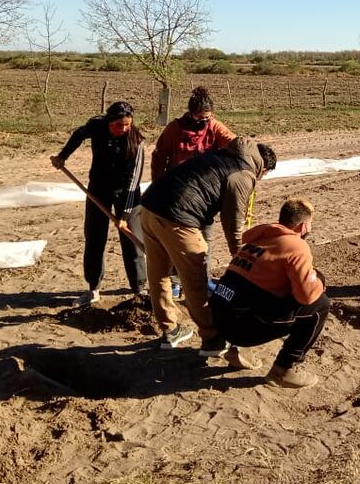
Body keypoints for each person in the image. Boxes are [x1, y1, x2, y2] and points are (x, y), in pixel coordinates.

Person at [138, 136, 277, 354]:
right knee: (196, 281)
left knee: (159, 275)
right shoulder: (244, 174)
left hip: (149, 207)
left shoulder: (222, 155)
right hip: (178, 217)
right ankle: (212, 339)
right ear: (263, 168)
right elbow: (233, 219)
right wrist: (238, 252)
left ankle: (170, 331)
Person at [208, 198, 328, 388]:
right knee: (320, 305)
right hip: (240, 327)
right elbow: (306, 296)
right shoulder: (297, 246)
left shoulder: (257, 240)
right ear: (303, 226)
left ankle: (237, 350)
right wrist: (319, 281)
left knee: (256, 292)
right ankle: (283, 370)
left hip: (218, 320)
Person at [50, 101, 147, 306]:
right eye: (118, 125)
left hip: (127, 194)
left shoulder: (136, 141)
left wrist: (124, 215)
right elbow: (78, 135)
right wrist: (62, 157)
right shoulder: (96, 126)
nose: (123, 129)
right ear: (108, 121)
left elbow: (134, 179)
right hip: (98, 190)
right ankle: (93, 288)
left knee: (132, 241)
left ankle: (139, 289)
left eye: (127, 125)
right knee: (94, 238)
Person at [151, 86, 237, 297]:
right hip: (177, 195)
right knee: (175, 241)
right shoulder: (174, 129)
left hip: (204, 196)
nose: (203, 122)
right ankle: (175, 280)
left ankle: (203, 280)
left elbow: (235, 144)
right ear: (190, 114)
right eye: (199, 118)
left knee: (204, 239)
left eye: (207, 118)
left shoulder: (214, 127)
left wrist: (249, 151)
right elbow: (159, 157)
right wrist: (158, 185)